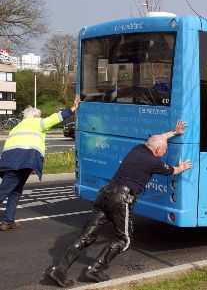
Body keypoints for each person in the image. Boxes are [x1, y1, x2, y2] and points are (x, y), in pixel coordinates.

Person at [48, 120, 192, 287]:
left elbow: (158, 138)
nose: (165, 151)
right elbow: (172, 171)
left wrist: (174, 132)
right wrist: (183, 167)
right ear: (158, 150)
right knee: (125, 240)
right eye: (165, 149)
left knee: (86, 237)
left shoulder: (138, 148)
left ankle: (59, 270)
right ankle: (95, 269)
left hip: (105, 194)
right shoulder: (155, 162)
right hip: (121, 198)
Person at [0, 95, 80, 231]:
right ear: (35, 116)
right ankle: (8, 220)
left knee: (15, 191)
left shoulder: (17, 127)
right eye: (40, 115)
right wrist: (73, 108)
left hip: (11, 162)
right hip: (20, 162)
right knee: (4, 191)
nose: (41, 117)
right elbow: (56, 117)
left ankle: (8, 221)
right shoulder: (37, 122)